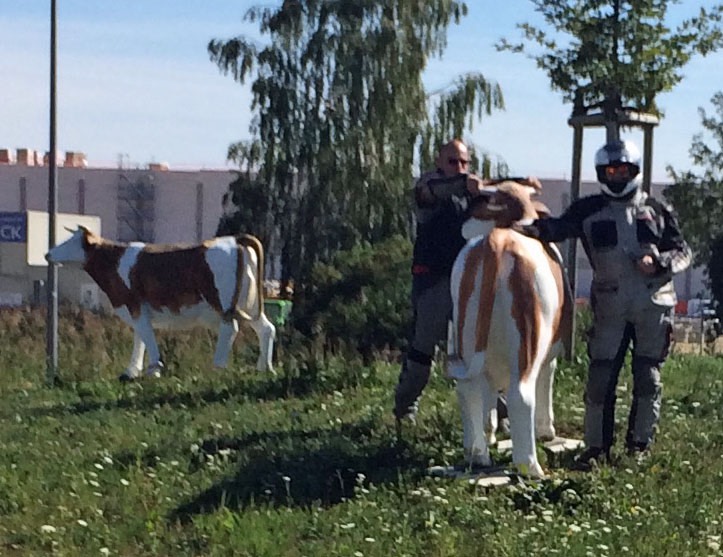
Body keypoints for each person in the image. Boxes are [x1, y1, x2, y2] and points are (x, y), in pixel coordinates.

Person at [517, 139, 692, 468]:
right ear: (600, 173)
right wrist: (525, 226)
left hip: (652, 306)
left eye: (623, 170)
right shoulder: (587, 209)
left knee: (648, 379)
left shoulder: (656, 208)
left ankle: (639, 447)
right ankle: (596, 449)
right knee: (599, 378)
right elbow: (556, 228)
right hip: (610, 307)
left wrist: (660, 262)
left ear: (635, 170)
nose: (617, 177)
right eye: (610, 171)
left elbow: (683, 251)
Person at [393, 138, 540, 423]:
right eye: (453, 161)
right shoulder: (428, 186)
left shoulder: (470, 190)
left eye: (464, 163)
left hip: (468, 281)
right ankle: (405, 406)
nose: (459, 167)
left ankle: (498, 407)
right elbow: (435, 191)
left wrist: (521, 182)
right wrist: (466, 183)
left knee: (479, 343)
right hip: (433, 280)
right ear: (439, 162)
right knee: (424, 344)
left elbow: (489, 185)